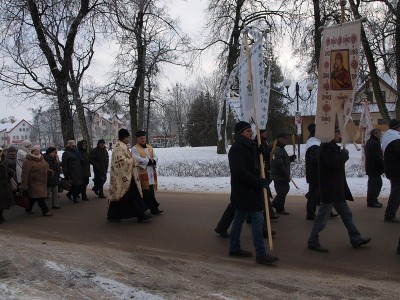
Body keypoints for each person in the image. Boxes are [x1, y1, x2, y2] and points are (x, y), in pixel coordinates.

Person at [307, 127, 371, 252]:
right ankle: (312, 241)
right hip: (330, 189)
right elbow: (335, 163)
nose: (339, 135)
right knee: (322, 218)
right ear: (331, 135)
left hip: (335, 189)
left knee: (347, 215)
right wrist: (344, 154)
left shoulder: (330, 146)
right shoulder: (326, 147)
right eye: (337, 133)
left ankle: (356, 238)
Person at [228, 121, 278, 265]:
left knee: (238, 219)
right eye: (248, 131)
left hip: (249, 190)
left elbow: (257, 163)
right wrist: (258, 182)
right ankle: (261, 253)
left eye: (251, 130)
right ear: (241, 133)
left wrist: (262, 151)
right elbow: (240, 172)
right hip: (244, 190)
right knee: (258, 218)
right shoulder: (237, 149)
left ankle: (234, 247)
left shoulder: (250, 146)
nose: (251, 133)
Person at [107, 129, 151, 223]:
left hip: (126, 175)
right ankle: (141, 214)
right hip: (124, 177)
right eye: (128, 137)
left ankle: (113, 215)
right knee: (132, 195)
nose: (128, 139)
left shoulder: (122, 145)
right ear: (124, 137)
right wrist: (134, 161)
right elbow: (121, 161)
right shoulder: (119, 147)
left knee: (121, 196)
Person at [305, 124, 339, 220]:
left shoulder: (315, 142)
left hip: (319, 174)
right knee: (314, 195)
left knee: (323, 194)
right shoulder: (314, 144)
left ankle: (327, 212)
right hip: (315, 174)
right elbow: (314, 159)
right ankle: (310, 213)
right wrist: (325, 159)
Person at [131, 130, 163, 215]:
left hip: (151, 172)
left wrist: (154, 161)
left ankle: (153, 208)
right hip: (142, 172)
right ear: (137, 139)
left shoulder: (149, 147)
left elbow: (155, 156)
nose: (142, 140)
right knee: (145, 191)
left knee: (151, 190)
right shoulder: (134, 148)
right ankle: (152, 208)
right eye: (141, 138)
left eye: (144, 138)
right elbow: (136, 159)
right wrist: (148, 161)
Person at [21, 145, 53, 216]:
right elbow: (25, 174)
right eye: (35, 151)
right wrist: (24, 185)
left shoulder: (41, 159)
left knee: (34, 197)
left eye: (38, 151)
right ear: (32, 152)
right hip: (33, 182)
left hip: (42, 181)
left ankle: (28, 209)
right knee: (40, 198)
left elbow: (46, 167)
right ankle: (45, 211)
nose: (37, 152)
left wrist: (49, 171)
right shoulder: (28, 161)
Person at [270, 133, 296, 215]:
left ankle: (275, 204)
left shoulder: (281, 148)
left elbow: (283, 159)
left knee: (284, 190)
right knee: (282, 191)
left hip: (280, 174)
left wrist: (290, 158)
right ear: (280, 139)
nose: (287, 140)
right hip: (279, 175)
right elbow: (278, 163)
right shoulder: (278, 149)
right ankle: (279, 208)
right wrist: (285, 173)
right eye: (285, 139)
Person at [381, 119, 400, 223]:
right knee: (396, 194)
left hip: (393, 170)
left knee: (396, 193)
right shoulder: (395, 139)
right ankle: (389, 215)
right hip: (396, 171)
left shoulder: (389, 137)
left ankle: (390, 214)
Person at [364, 128, 384, 208]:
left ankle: (373, 200)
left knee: (376, 184)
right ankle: (371, 201)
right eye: (380, 133)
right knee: (375, 184)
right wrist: (382, 165)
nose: (381, 135)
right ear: (375, 134)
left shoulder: (370, 142)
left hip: (371, 167)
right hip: (374, 167)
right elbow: (377, 157)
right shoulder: (374, 143)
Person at [0, 147, 15, 223]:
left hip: (4, 184)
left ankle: (1, 215)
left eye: (0, 151)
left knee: (3, 202)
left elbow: (7, 170)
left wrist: (11, 173)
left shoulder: (4, 160)